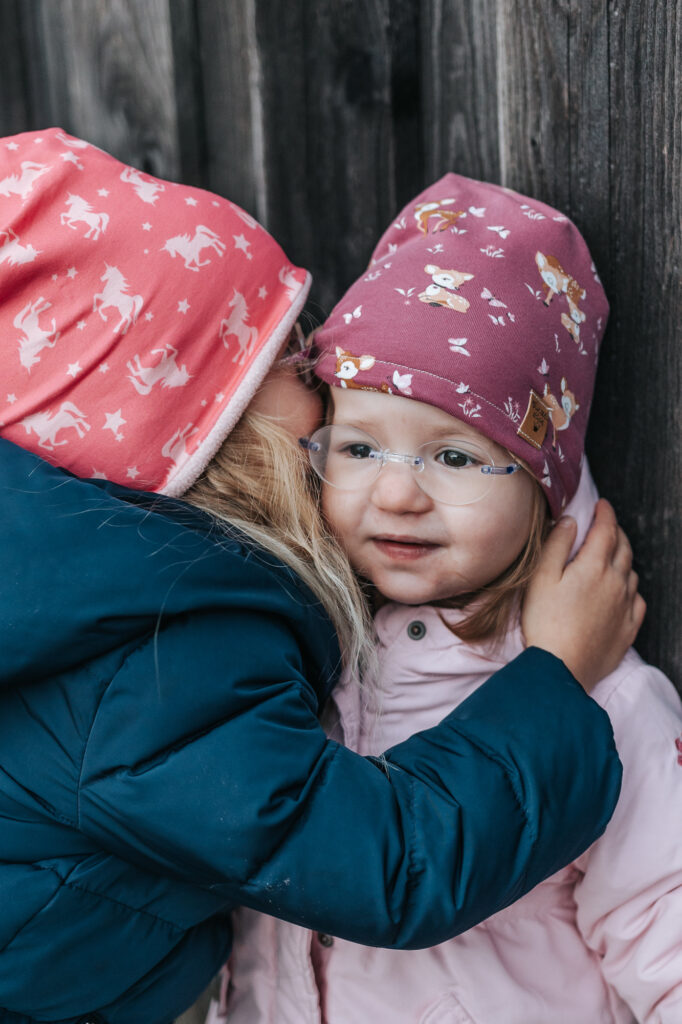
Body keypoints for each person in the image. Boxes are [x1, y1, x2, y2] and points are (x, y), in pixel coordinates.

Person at [0, 132, 641, 1024]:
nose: (323, 384)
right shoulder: (147, 654)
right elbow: (390, 862)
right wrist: (559, 676)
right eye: (290, 358)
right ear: (203, 410)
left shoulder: (74, 565)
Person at [217, 175, 680, 1024]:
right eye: (359, 448)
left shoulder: (602, 705)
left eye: (457, 458)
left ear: (546, 482)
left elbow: (668, 928)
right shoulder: (297, 656)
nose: (396, 497)